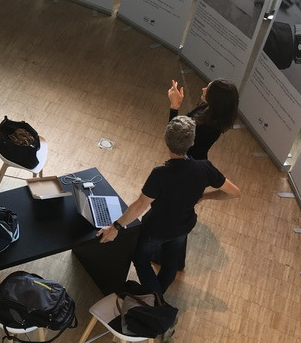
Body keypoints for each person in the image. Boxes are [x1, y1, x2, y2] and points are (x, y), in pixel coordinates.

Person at [97, 116, 239, 304]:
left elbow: (140, 205)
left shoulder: (160, 174)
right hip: (183, 226)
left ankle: (158, 303)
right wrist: (205, 196)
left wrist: (115, 227)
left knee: (140, 259)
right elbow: (234, 192)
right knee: (170, 263)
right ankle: (158, 295)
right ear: (192, 142)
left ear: (165, 139)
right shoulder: (205, 168)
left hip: (157, 228)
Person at [167, 78, 239, 160]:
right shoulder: (209, 109)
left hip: (187, 161)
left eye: (208, 90)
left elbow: (175, 138)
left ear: (215, 99)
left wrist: (174, 107)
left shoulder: (209, 128)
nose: (203, 89)